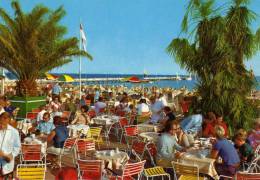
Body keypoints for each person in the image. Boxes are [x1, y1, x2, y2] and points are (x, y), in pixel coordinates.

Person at [0, 112, 21, 178]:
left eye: (3, 122)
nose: (1, 125)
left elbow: (17, 147)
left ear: (8, 121)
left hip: (7, 164)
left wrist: (11, 155)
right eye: (0, 121)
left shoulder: (14, 132)